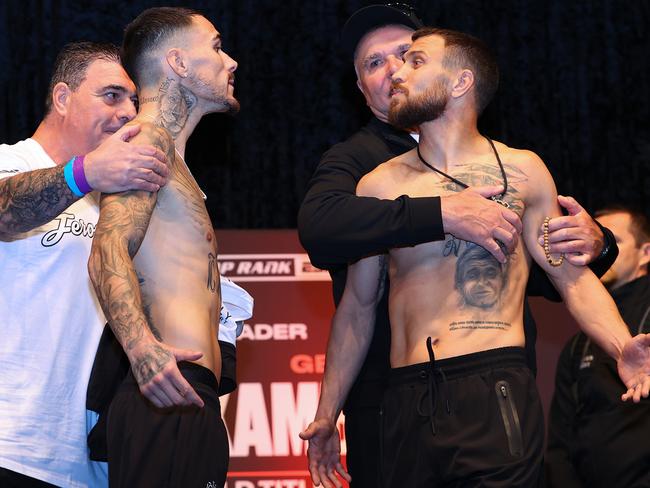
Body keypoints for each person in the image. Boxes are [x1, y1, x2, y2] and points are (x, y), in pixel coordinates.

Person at [300, 27, 650, 488]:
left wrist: (622, 346)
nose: (398, 73)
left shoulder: (523, 169)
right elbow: (357, 309)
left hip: (493, 386)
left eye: (415, 61)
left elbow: (571, 280)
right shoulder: (377, 185)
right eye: (385, 65)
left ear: (461, 81)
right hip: (406, 397)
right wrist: (327, 415)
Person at [0, 41, 170, 488]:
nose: (129, 113)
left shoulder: (121, 205)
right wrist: (86, 172)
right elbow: (4, 210)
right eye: (112, 95)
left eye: (135, 100)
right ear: (62, 98)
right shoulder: (11, 162)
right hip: (12, 442)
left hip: (94, 462)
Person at [87, 7, 238, 487]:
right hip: (167, 397)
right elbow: (107, 247)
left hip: (186, 401)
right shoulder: (149, 138)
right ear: (177, 62)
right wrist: (140, 349)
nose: (230, 61)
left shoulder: (175, 160)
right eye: (215, 46)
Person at [546, 205, 650, 488]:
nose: (596, 249)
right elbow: (558, 445)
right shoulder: (577, 343)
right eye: (593, 239)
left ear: (646, 253)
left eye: (610, 241)